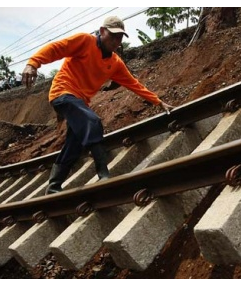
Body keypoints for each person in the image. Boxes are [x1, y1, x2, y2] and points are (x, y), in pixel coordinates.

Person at [22, 16, 174, 195]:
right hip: (62, 93)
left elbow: (134, 84)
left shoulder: (115, 63)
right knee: (92, 121)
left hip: (80, 101)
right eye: (113, 36)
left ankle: (53, 185)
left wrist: (158, 101)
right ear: (102, 32)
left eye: (120, 38)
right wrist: (33, 63)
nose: (116, 41)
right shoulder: (84, 41)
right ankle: (103, 173)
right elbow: (57, 48)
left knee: (75, 143)